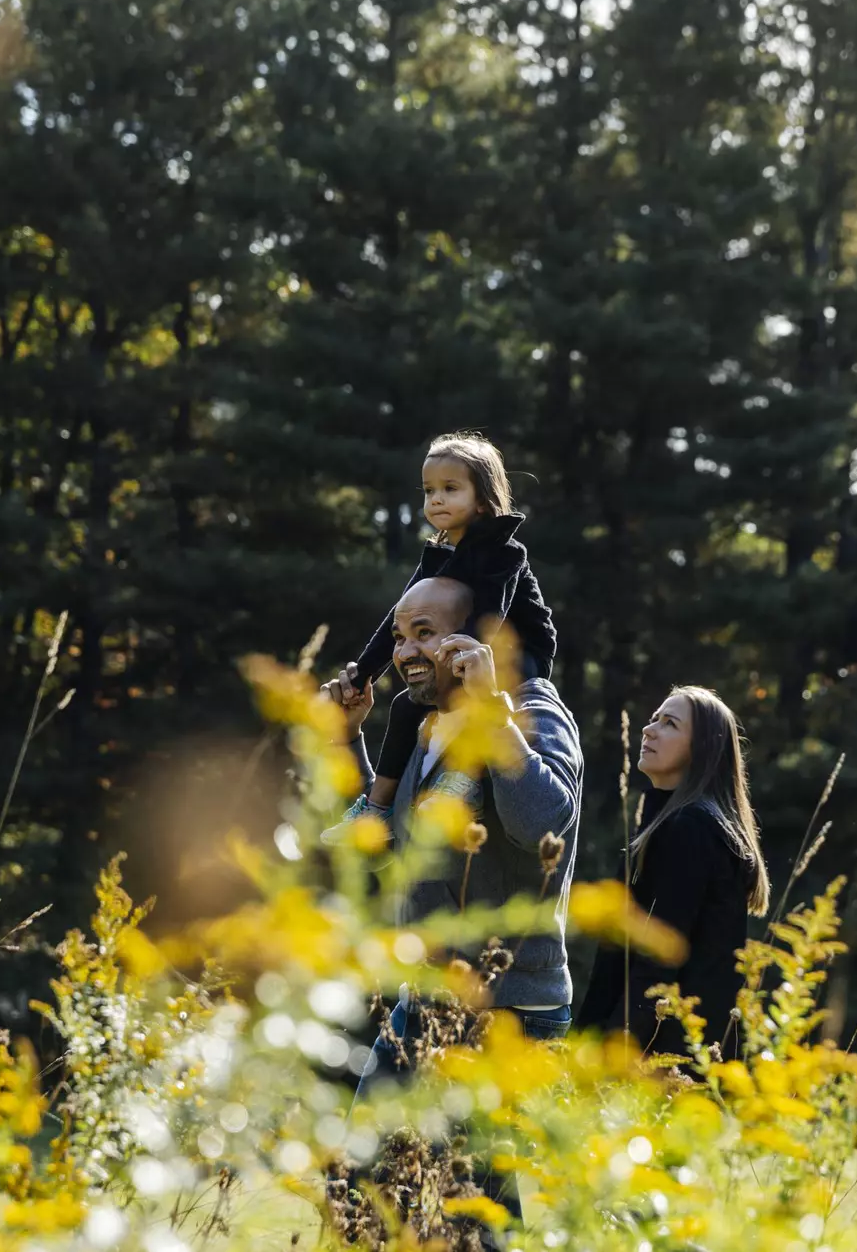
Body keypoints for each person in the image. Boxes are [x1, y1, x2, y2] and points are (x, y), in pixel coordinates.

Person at [328, 576, 582, 1048]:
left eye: (424, 634)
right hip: (423, 1000)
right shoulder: (427, 725)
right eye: (399, 638)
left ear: (474, 640)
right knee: (367, 1125)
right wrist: (346, 738)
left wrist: (492, 713)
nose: (403, 654)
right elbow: (382, 841)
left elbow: (542, 825)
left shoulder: (534, 710)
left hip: (506, 1015)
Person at [338, 433, 558, 829]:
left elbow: (491, 617)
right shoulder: (438, 556)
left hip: (518, 655)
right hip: (462, 651)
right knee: (406, 705)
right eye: (428, 490)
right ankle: (378, 807)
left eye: (449, 489)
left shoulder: (504, 552)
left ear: (482, 501)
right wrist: (364, 673)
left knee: (465, 697)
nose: (435, 499)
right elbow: (398, 619)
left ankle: (464, 782)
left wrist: (460, 661)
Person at [576, 686, 770, 1060]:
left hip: (666, 1058)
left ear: (702, 748)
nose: (649, 730)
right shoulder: (669, 822)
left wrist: (612, 1055)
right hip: (672, 1049)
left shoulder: (691, 828)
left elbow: (661, 956)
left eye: (669, 724)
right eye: (653, 719)